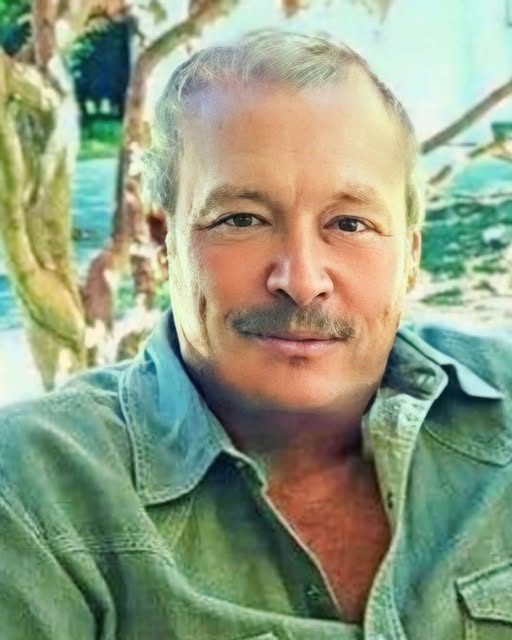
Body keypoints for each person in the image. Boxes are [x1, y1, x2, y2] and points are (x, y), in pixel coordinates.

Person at [0, 30, 510, 640]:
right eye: (241, 219)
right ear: (164, 239)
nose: (301, 280)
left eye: (350, 223)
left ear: (411, 256)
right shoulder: (35, 495)